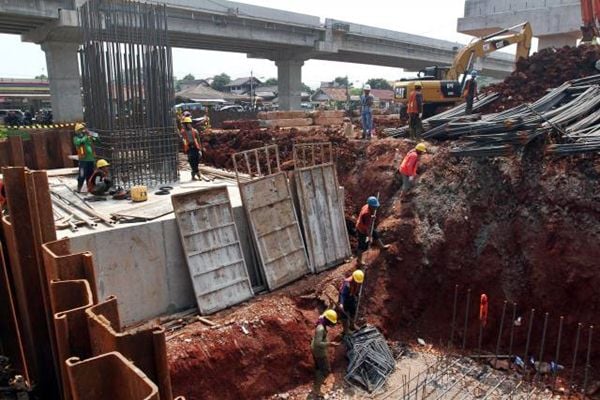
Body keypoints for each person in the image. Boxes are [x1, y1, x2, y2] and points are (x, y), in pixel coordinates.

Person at [311, 309, 339, 398]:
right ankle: (316, 389)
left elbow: (327, 312)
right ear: (327, 320)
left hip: (316, 349)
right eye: (331, 322)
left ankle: (317, 381)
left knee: (319, 368)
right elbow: (318, 343)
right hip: (319, 351)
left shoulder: (322, 319)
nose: (332, 324)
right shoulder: (321, 329)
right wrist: (330, 344)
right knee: (326, 371)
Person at [355, 196, 390, 267]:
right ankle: (359, 261)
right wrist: (369, 237)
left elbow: (368, 220)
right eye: (374, 207)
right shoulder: (367, 214)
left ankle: (382, 247)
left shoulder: (366, 206)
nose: (376, 208)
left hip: (366, 225)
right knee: (362, 245)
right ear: (370, 206)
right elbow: (368, 228)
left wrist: (372, 217)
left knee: (375, 234)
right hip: (362, 229)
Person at [338, 269, 364, 336]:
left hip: (351, 297)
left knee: (353, 309)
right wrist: (341, 303)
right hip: (345, 299)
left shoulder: (357, 281)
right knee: (344, 313)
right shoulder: (347, 284)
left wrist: (356, 295)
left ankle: (352, 325)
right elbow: (342, 295)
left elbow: (356, 289)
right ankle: (346, 330)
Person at [73, 122, 97, 193]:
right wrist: (86, 136)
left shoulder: (88, 137)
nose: (82, 131)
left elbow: (97, 137)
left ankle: (90, 188)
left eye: (83, 130)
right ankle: (79, 188)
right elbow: (80, 142)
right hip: (83, 161)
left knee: (90, 175)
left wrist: (90, 133)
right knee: (82, 175)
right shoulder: (76, 138)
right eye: (80, 130)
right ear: (77, 131)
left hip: (91, 160)